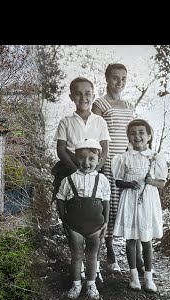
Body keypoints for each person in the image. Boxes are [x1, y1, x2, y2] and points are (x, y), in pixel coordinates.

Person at [53, 76, 111, 281]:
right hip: (70, 172)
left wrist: (94, 172)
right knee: (73, 217)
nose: (83, 97)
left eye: (87, 93)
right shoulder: (66, 121)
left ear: (93, 96)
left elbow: (104, 151)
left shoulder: (100, 121)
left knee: (96, 217)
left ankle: (94, 267)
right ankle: (78, 265)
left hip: (94, 172)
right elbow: (61, 150)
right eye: (78, 93)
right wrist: (76, 170)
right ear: (71, 97)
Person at [92, 63, 142, 273]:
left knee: (131, 206)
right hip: (109, 161)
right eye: (115, 78)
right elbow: (95, 136)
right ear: (106, 78)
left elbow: (133, 137)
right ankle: (110, 253)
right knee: (110, 208)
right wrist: (100, 164)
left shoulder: (129, 105)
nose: (119, 83)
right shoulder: (99, 104)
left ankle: (138, 256)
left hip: (127, 162)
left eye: (123, 78)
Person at [112, 119, 167, 292]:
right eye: (133, 133)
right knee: (130, 240)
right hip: (129, 200)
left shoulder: (155, 157)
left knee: (146, 240)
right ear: (128, 136)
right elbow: (118, 181)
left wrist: (150, 181)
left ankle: (149, 278)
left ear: (149, 136)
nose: (137, 136)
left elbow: (162, 183)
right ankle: (134, 277)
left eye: (141, 132)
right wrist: (128, 184)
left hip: (147, 202)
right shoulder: (123, 158)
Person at [56, 138, 110, 300]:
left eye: (91, 159)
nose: (86, 162)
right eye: (82, 158)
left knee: (92, 255)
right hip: (74, 226)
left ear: (98, 160)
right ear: (75, 158)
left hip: (96, 225)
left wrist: (106, 222)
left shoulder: (102, 180)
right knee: (77, 255)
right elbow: (60, 199)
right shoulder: (69, 180)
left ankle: (91, 284)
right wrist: (64, 222)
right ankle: (76, 284)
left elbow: (106, 201)